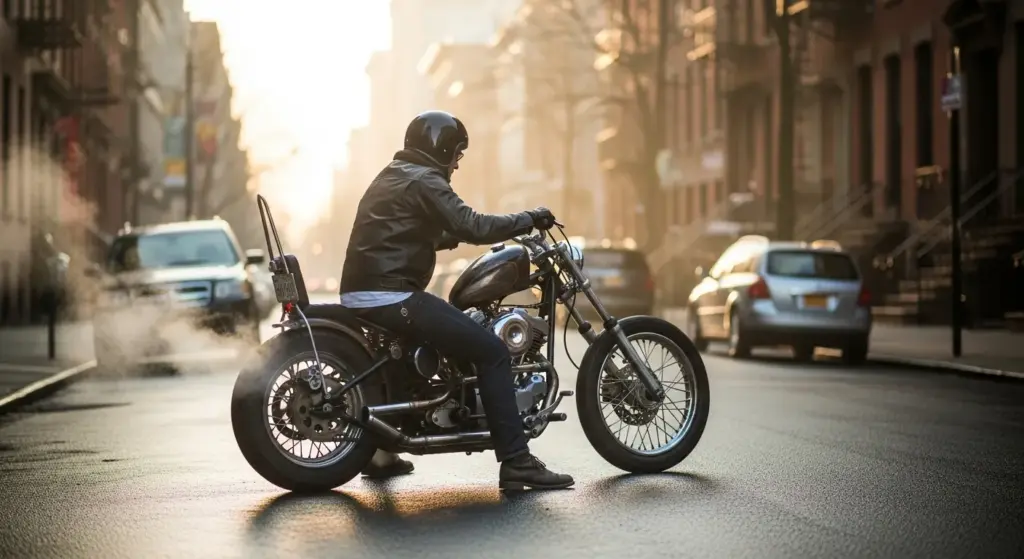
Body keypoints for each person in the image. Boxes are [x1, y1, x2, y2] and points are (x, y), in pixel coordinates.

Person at [339, 110, 574, 491]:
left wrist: (448, 238)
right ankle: (517, 460)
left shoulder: (395, 174)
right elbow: (473, 224)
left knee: (430, 349)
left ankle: (381, 452)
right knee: (492, 351)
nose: (456, 165)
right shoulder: (426, 180)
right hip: (390, 292)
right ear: (443, 147)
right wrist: (528, 218)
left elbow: (405, 232)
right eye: (457, 155)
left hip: (368, 290)